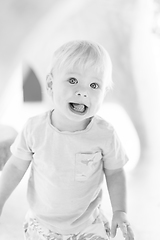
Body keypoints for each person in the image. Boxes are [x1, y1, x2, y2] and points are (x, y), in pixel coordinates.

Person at [0, 40, 134, 240]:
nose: (83, 91)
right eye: (73, 80)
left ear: (104, 92)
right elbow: (16, 167)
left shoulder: (105, 134)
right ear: (50, 84)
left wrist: (120, 211)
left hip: (88, 225)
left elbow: (115, 173)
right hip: (42, 225)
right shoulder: (34, 128)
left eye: (94, 85)